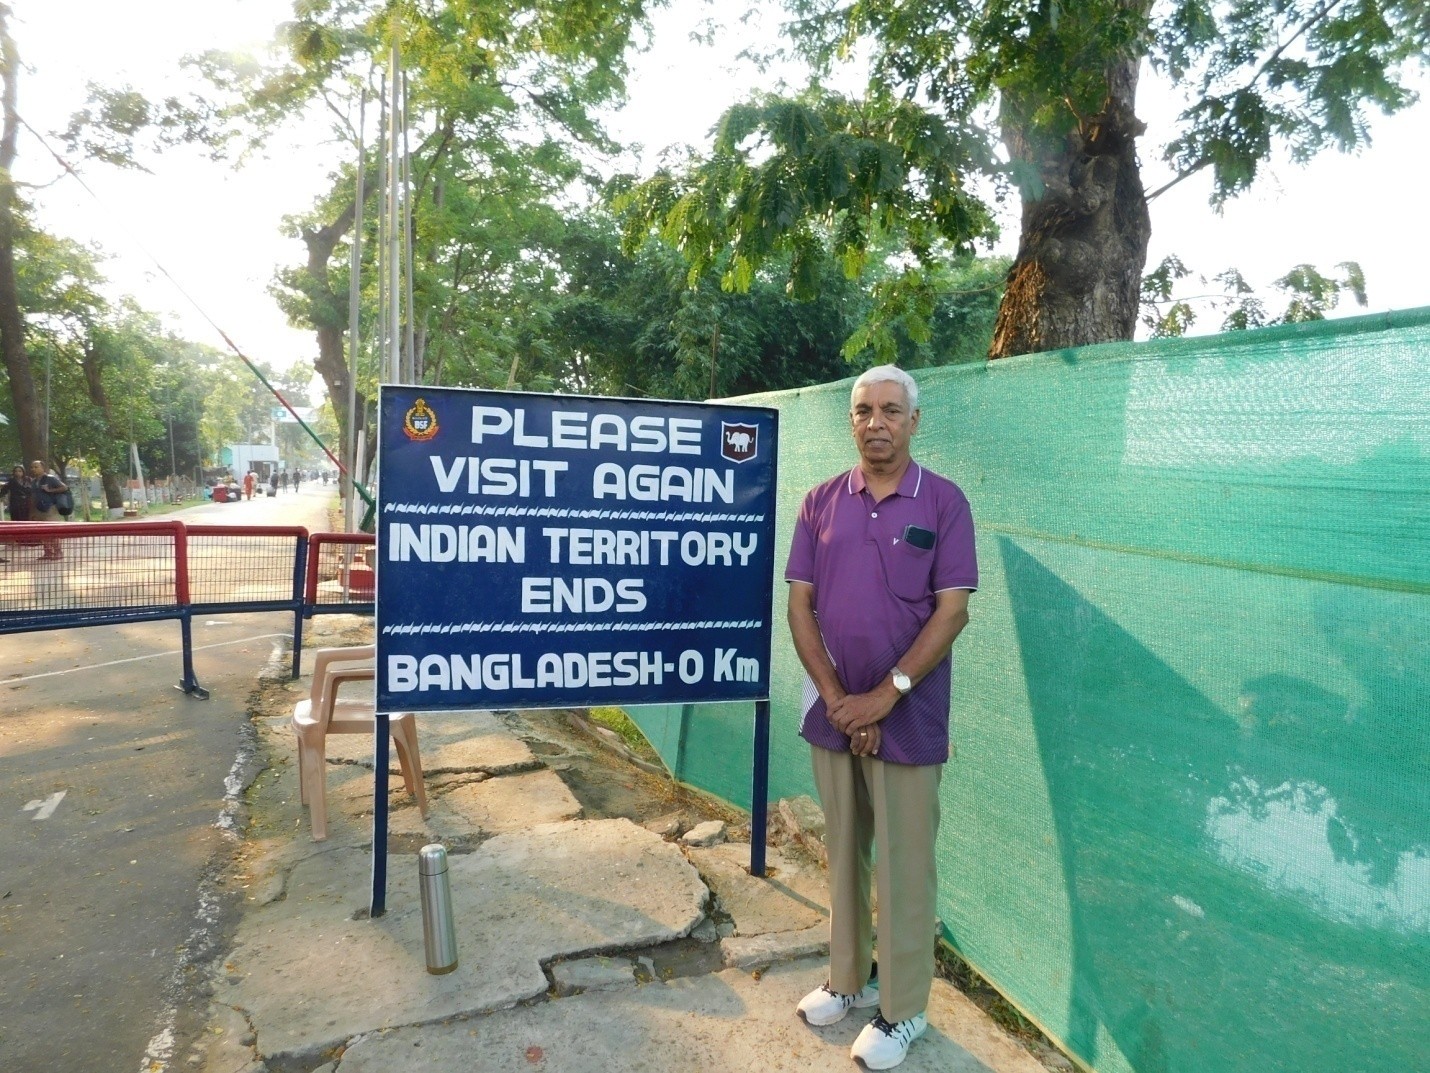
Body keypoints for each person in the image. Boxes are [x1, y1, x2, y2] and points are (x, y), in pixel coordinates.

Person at [784, 365, 977, 1070]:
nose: (876, 422)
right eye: (864, 410)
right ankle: (849, 980)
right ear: (852, 421)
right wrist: (840, 699)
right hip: (833, 709)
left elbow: (952, 612)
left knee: (903, 864)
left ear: (913, 421)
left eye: (891, 410)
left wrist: (884, 696)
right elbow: (799, 605)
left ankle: (903, 1008)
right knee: (843, 850)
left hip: (910, 709)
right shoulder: (820, 502)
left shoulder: (945, 502)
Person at [28, 459, 70, 561]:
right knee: (42, 532)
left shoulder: (50, 478)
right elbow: (33, 496)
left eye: (36, 467)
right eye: (32, 467)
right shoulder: (33, 482)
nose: (33, 469)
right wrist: (32, 512)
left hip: (50, 508)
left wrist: (50, 490)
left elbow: (64, 487)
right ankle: (48, 552)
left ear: (43, 468)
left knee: (52, 531)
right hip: (38, 509)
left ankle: (58, 552)